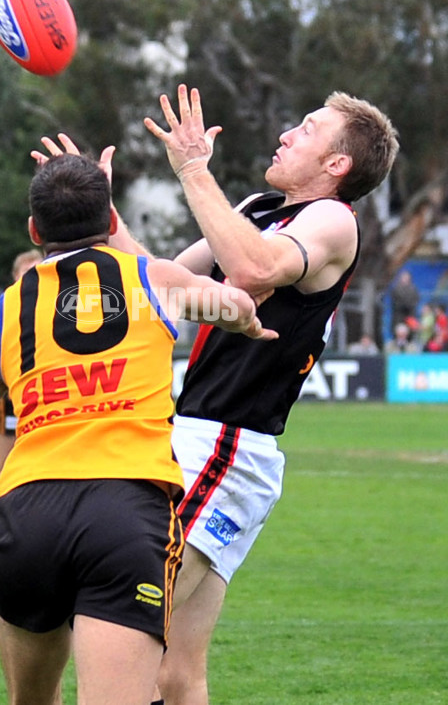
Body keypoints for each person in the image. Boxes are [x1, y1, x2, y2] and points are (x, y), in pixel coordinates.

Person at [37, 84, 398, 705]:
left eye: (308, 128)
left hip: (225, 446)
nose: (288, 134)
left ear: (337, 165)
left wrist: (194, 170)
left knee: (119, 629)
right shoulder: (261, 207)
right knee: (175, 672)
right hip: (205, 444)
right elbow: (161, 285)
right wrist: (104, 219)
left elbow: (256, 271)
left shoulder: (333, 219)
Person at [0, 153, 276, 705]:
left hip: (26, 518)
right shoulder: (151, 280)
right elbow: (232, 299)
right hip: (126, 515)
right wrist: (243, 319)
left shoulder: (8, 314)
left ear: (34, 230)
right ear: (113, 223)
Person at [0, 248, 43, 503]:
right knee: (5, 463)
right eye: (26, 272)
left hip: (42, 391)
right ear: (15, 276)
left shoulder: (52, 302)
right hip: (11, 393)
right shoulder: (6, 306)